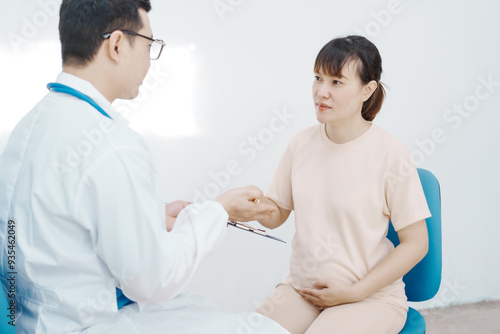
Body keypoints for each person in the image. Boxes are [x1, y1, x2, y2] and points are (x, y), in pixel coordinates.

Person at [0, 1, 290, 333]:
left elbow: (53, 229)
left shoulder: (29, 127)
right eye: (150, 45)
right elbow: (153, 281)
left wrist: (152, 218)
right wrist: (217, 211)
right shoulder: (112, 144)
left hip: (34, 320)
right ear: (118, 44)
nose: (150, 60)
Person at [253, 35, 431, 334]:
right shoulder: (301, 143)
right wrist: (246, 208)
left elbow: (416, 243)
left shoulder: (391, 155)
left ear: (367, 90)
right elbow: (277, 213)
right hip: (302, 291)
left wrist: (356, 291)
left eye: (336, 82)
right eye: (318, 78)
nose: (321, 92)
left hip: (369, 298)